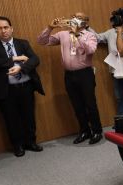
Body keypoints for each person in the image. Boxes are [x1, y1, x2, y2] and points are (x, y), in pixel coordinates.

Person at [0, 16, 45, 157]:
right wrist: (15, 59)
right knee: (11, 118)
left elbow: (35, 59)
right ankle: (17, 145)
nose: (3, 31)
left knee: (29, 116)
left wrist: (21, 68)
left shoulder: (22, 43)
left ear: (11, 28)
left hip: (26, 86)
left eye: (6, 27)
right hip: (6, 89)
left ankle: (31, 142)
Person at [38, 12, 103, 144]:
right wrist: (50, 27)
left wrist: (78, 34)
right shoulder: (63, 34)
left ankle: (97, 131)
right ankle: (85, 131)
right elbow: (42, 41)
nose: (75, 19)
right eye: (74, 16)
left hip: (85, 74)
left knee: (90, 104)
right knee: (77, 105)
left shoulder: (90, 35)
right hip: (69, 75)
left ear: (86, 23)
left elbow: (91, 50)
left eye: (79, 18)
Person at [95, 19, 123, 115]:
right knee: (119, 97)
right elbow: (97, 38)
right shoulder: (110, 32)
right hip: (116, 69)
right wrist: (86, 27)